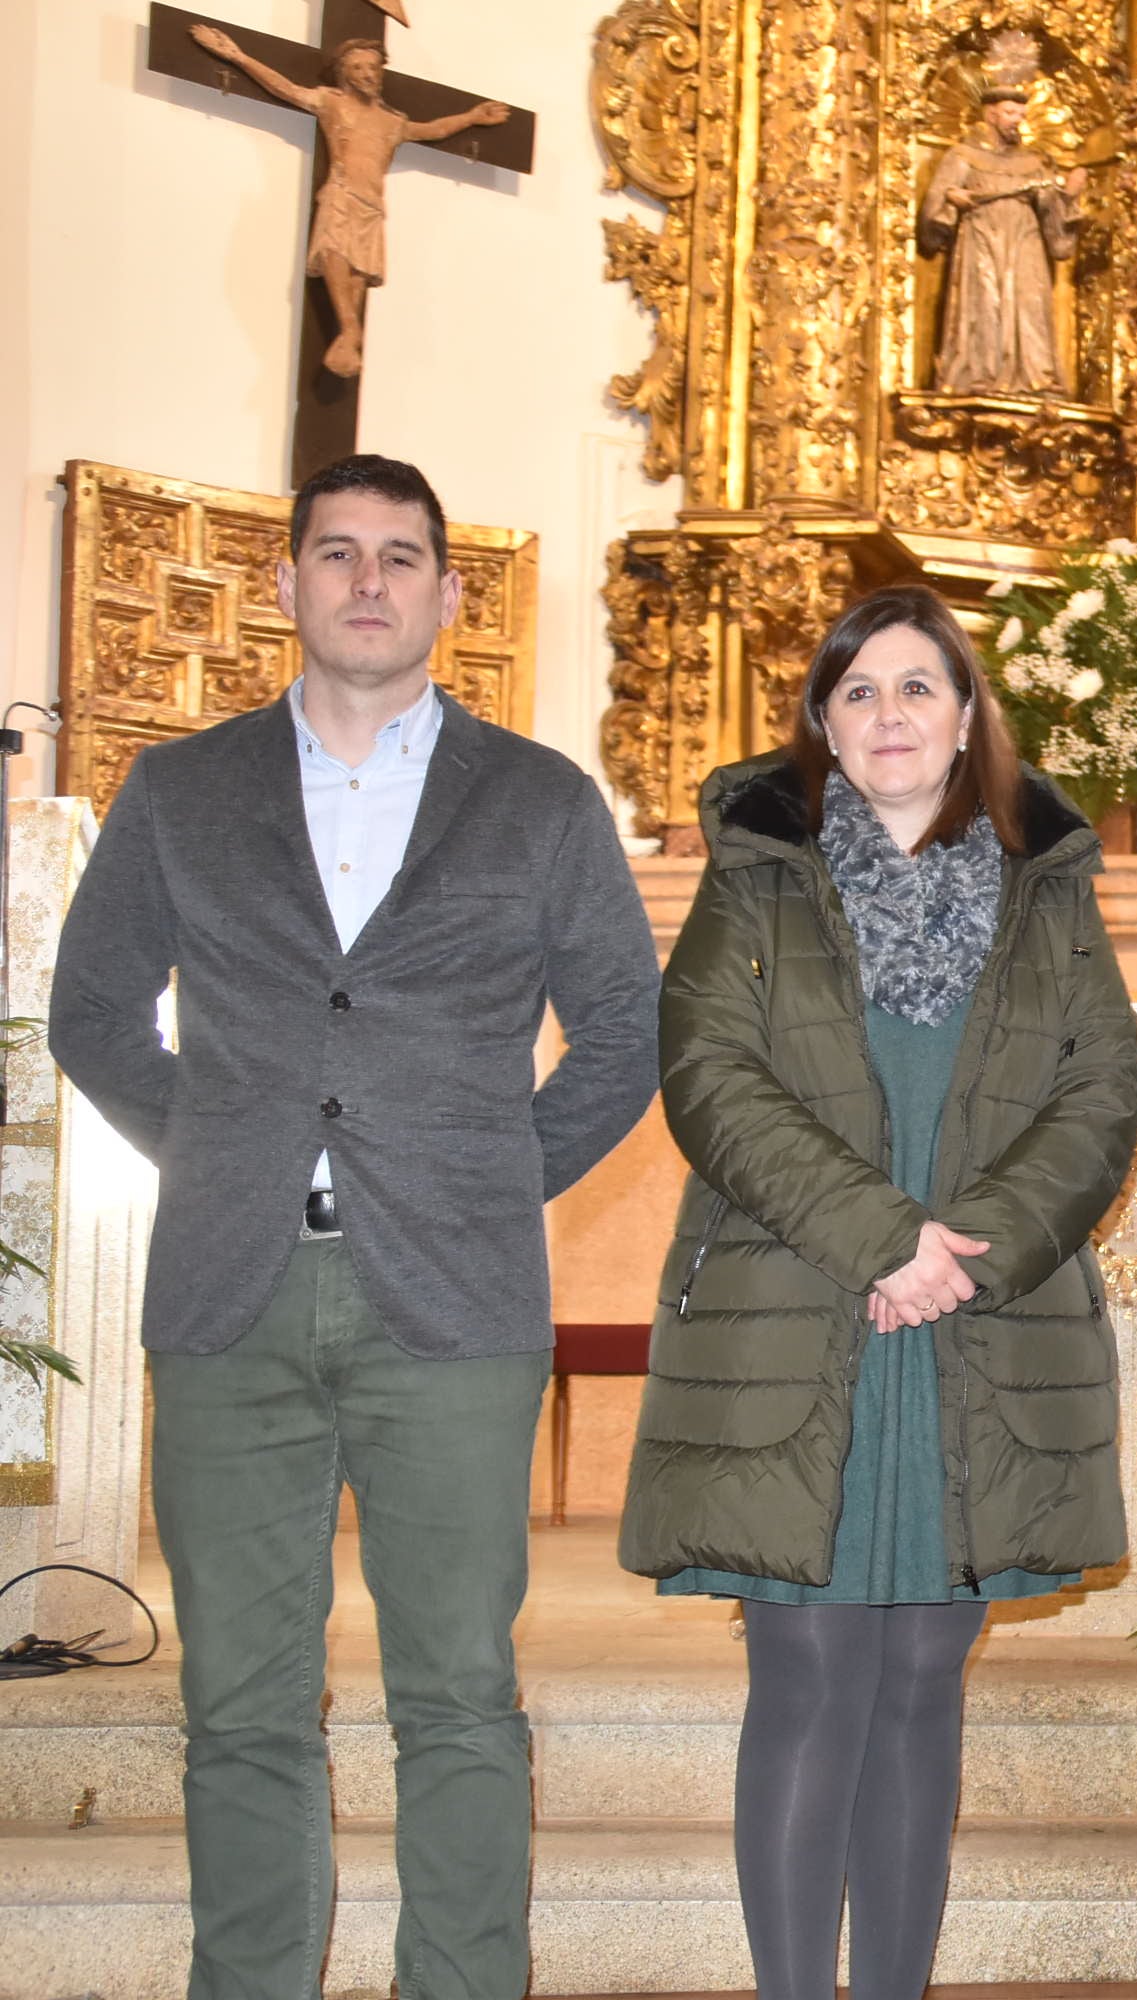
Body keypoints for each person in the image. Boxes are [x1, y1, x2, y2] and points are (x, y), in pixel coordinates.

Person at [49, 453, 659, 2000]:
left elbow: (625, 1028)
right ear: (287, 586)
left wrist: (489, 1171)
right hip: (231, 1294)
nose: (369, 582)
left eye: (401, 558)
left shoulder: (538, 799)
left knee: (454, 1693)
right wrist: (217, 1153)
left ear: (453, 596)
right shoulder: (181, 792)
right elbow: (92, 1008)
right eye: (338, 553)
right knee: (240, 1702)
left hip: (450, 1306)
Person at [615, 583, 1137, 2000]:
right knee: (806, 1683)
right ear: (822, 723)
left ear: (968, 716)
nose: (890, 714)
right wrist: (882, 1239)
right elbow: (709, 1073)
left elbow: (1102, 1093)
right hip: (804, 1315)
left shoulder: (1049, 885)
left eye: (919, 687)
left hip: (977, 1326)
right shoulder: (758, 873)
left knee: (919, 1687)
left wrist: (963, 1244)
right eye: (859, 691)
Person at [184, 26, 509, 376]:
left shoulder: (392, 121)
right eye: (359, 68)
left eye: (374, 67)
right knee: (333, 250)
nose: (369, 74)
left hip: (372, 206)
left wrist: (472, 118)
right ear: (345, 74)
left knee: (359, 273)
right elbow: (285, 88)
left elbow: (431, 130)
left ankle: (347, 336)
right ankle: (351, 332)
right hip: (341, 194)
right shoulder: (331, 102)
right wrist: (237, 56)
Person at [921, 79, 1087, 395]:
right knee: (984, 301)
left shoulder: (1033, 162)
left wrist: (1067, 195)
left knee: (1030, 301)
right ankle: (978, 375)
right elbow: (935, 202)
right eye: (1010, 113)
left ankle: (1036, 378)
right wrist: (951, 198)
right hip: (982, 236)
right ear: (991, 114)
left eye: (1021, 114)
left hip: (1025, 239)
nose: (1018, 120)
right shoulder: (963, 155)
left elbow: (1050, 208)